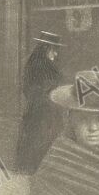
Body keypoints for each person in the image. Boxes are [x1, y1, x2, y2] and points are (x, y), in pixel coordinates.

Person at [13, 30, 65, 174]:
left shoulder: (34, 64)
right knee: (40, 148)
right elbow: (45, 93)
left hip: (37, 115)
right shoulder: (42, 67)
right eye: (54, 51)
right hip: (43, 117)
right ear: (48, 49)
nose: (56, 54)